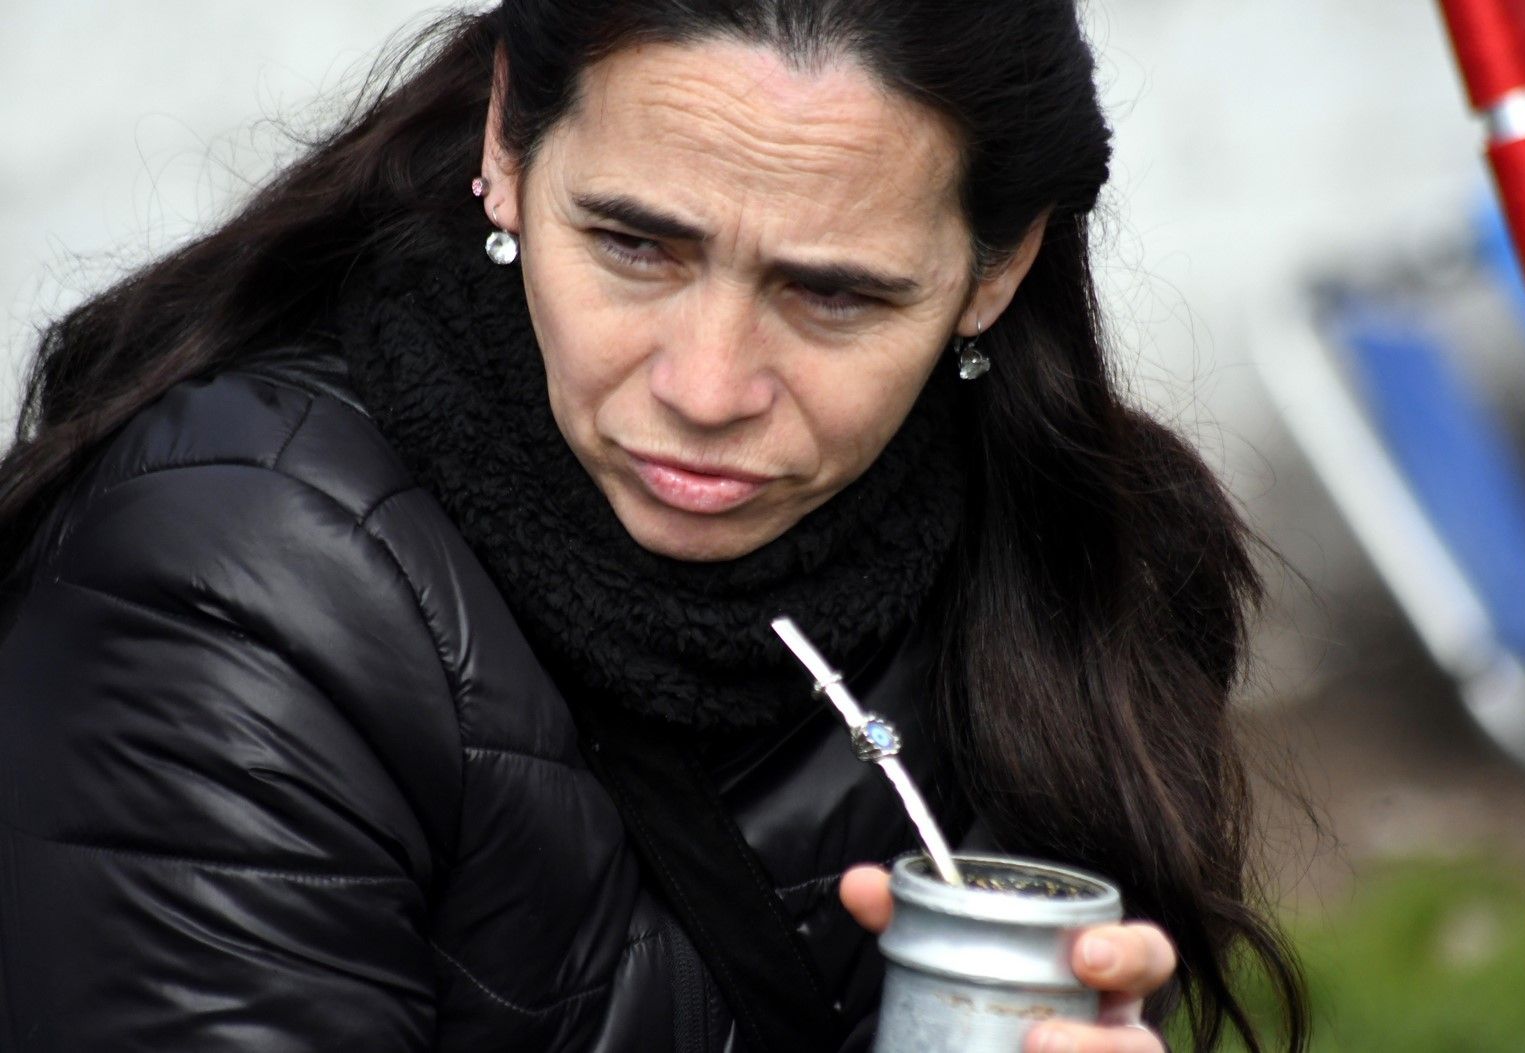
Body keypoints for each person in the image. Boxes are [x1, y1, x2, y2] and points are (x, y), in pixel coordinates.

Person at [0, 2, 1308, 1051]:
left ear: (996, 270)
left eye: (833, 297)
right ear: (509, 145)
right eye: (634, 246)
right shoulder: (237, 585)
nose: (706, 387)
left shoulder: (1072, 564)